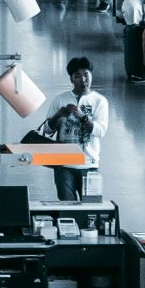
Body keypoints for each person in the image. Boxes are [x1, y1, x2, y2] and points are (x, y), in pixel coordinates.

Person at [41, 58, 110, 201]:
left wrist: (82, 117)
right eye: (77, 76)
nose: (83, 80)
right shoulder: (60, 100)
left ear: (91, 75)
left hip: (89, 164)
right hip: (63, 164)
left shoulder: (100, 101)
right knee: (67, 206)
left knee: (91, 207)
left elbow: (100, 131)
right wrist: (58, 115)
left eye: (86, 75)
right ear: (71, 79)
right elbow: (47, 130)